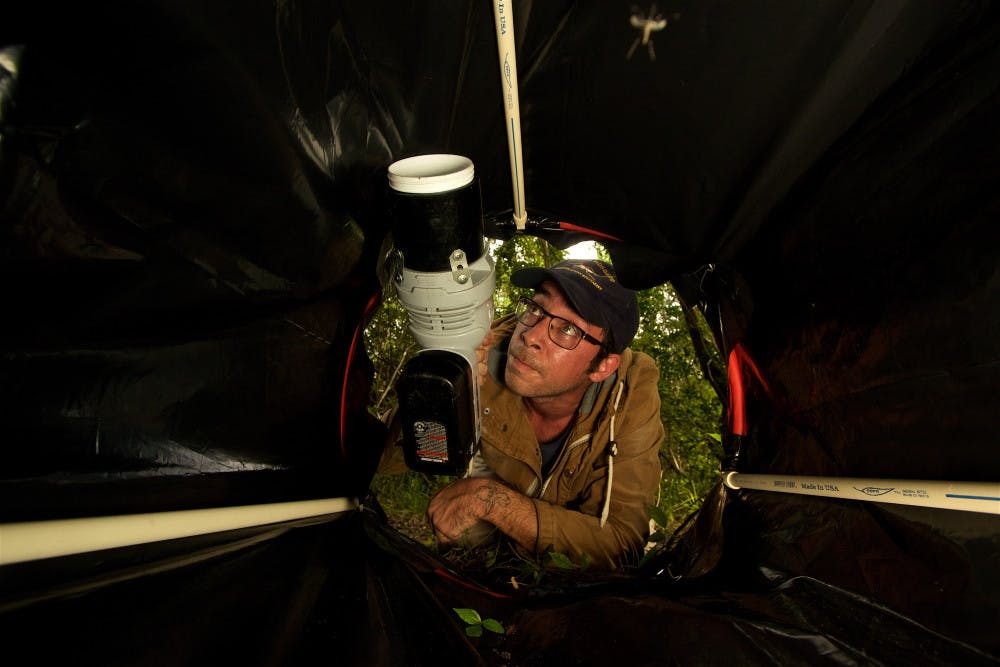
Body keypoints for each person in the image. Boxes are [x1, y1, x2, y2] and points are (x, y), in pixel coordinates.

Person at [427, 259, 663, 570]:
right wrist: (440, 384)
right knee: (464, 542)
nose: (531, 336)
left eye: (568, 329)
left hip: (569, 532)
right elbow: (381, 460)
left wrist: (491, 500)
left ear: (603, 366)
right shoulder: (483, 350)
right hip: (502, 499)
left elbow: (623, 543)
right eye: (536, 309)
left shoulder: (631, 392)